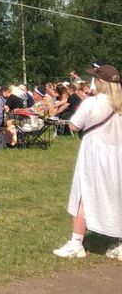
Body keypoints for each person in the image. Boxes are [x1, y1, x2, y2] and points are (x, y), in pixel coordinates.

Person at [53, 64, 122, 259]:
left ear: (100, 82)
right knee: (118, 194)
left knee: (83, 193)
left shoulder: (92, 103)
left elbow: (74, 126)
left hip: (95, 153)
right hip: (118, 154)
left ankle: (76, 242)